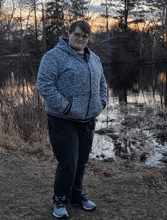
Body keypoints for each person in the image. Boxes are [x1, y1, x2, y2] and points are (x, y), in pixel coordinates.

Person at [37, 20, 108, 219]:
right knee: (68, 162)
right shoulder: (54, 56)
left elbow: (102, 83)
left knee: (82, 161)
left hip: (88, 119)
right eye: (77, 34)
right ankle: (60, 199)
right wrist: (67, 107)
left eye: (85, 36)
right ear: (69, 33)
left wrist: (101, 103)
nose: (81, 39)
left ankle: (76, 195)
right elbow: (45, 85)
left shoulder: (94, 58)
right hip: (62, 119)